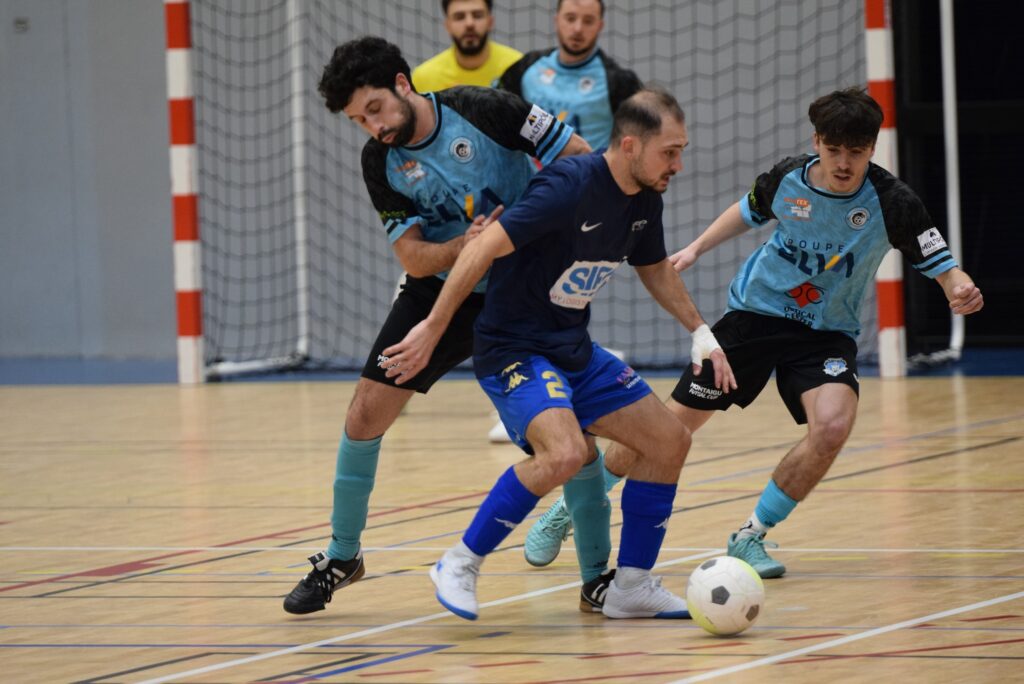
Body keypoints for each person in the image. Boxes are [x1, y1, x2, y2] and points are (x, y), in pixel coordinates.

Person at [521, 86, 985, 578]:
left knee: (830, 426)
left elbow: (940, 262)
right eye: (833, 150)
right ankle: (570, 511)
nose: (843, 163)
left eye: (856, 153)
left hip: (825, 334)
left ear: (873, 148)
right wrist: (696, 248)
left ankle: (750, 536)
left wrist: (960, 286)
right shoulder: (790, 178)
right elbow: (747, 211)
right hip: (754, 318)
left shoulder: (893, 202)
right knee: (666, 429)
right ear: (817, 141)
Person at [380, 88, 736, 620]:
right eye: (670, 152)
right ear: (631, 145)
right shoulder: (567, 187)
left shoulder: (644, 200)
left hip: (573, 349)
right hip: (513, 350)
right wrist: (434, 325)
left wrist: (702, 333)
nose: (678, 165)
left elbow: (656, 268)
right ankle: (458, 562)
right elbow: (480, 246)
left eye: (681, 151)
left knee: (668, 441)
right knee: (566, 453)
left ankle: (631, 586)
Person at [282, 36, 589, 615]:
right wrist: (464, 246)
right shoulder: (381, 160)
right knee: (364, 413)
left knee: (568, 433)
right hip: (441, 288)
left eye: (373, 109)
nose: (371, 126)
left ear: (403, 83)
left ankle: (594, 569)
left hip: (522, 288)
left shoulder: (487, 108)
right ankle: (342, 555)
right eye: (358, 120)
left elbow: (579, 157)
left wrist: (526, 229)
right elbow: (415, 259)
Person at [498, 0, 642, 150]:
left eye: (588, 21)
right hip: (532, 173)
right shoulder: (526, 68)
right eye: (570, 18)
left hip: (589, 172)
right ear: (556, 20)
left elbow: (640, 140)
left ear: (600, 26)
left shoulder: (618, 82)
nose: (578, 29)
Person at [412, 0, 523, 92]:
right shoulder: (423, 78)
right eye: (459, 17)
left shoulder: (519, 67)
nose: (469, 23)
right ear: (448, 26)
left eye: (477, 15)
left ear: (490, 22)